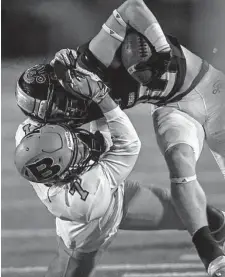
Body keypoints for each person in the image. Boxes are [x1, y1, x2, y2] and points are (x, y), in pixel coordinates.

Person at [47, 0, 225, 276]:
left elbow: (133, 6)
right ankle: (210, 252)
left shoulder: (147, 46)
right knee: (179, 161)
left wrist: (161, 46)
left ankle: (217, 225)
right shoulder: (95, 65)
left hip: (211, 92)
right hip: (171, 108)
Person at [14, 60, 223, 277]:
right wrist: (101, 98)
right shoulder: (84, 198)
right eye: (60, 98)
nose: (68, 100)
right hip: (87, 228)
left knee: (206, 218)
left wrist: (80, 62)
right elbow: (127, 143)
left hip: (119, 195)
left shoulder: (35, 140)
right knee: (70, 271)